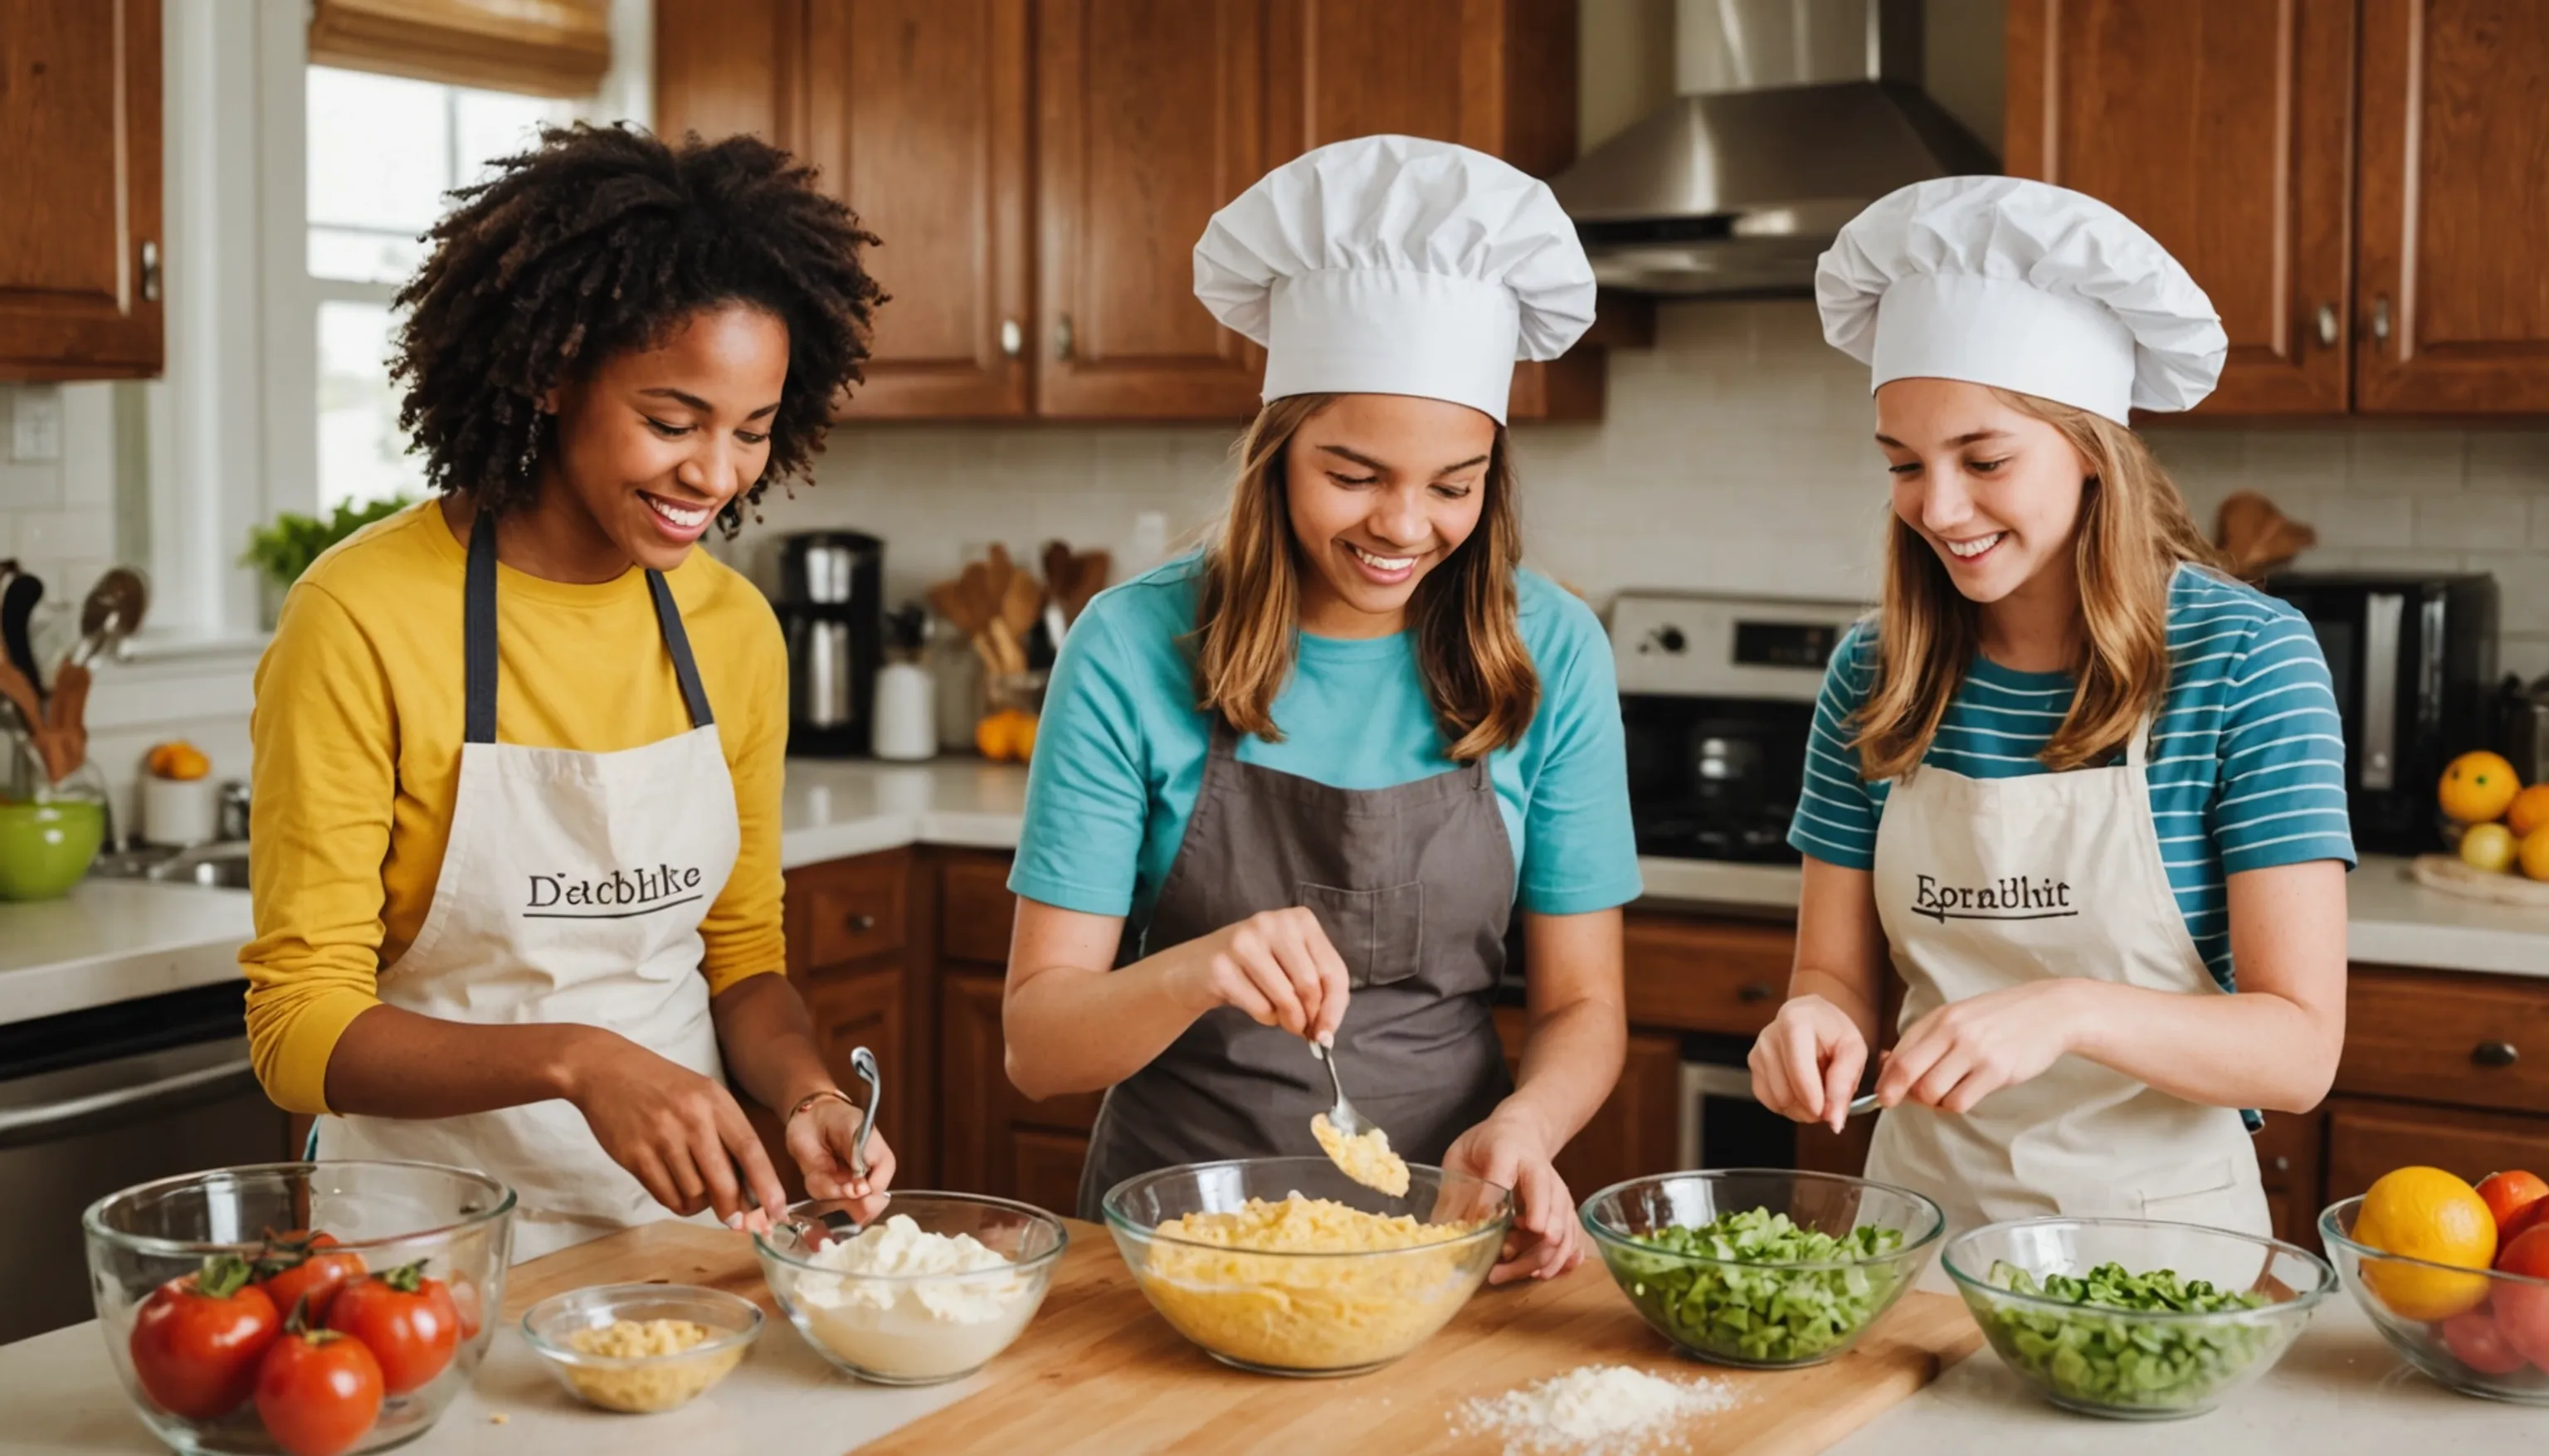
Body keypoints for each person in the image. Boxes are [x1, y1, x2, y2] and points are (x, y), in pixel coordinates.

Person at [243, 125, 897, 1260]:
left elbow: (742, 962)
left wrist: (803, 1095)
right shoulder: (361, 613)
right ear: (551, 372)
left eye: (752, 430)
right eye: (671, 420)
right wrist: (580, 1059)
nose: (716, 474)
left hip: (672, 1235)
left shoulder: (732, 629)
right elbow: (299, 1027)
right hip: (417, 1241)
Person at [1001, 136, 1641, 1283]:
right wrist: (1200, 965)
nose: (1404, 527)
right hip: (1165, 1251)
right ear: (1276, 451)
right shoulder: (1132, 643)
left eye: (1454, 484)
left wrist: (1528, 1126)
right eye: (1353, 474)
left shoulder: (1551, 646)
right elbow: (1039, 1046)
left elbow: (1586, 1003)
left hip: (1444, 1241)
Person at [1747, 176, 2355, 1239]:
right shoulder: (1874, 672)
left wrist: (2069, 1009)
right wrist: (1809, 1020)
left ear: (2091, 451)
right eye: (1903, 464)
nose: (1937, 508)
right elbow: (1834, 974)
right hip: (1914, 1242)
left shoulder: (2245, 662)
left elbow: (2299, 1053)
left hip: (2160, 1265)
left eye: (1984, 459)